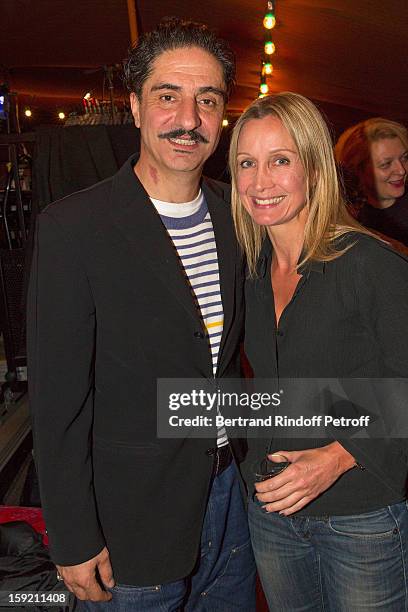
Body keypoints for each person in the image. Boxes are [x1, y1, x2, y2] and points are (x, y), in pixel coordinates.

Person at [27, 18, 256, 611]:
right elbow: (58, 403)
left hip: (233, 500)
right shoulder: (73, 228)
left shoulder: (241, 216)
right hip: (131, 520)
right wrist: (73, 536)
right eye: (167, 96)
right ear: (133, 106)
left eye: (207, 99)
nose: (189, 118)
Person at [229, 92, 408, 610]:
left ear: (313, 168)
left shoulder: (373, 266)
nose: (260, 182)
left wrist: (336, 456)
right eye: (247, 163)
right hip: (272, 514)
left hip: (362, 520)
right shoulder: (252, 272)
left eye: (280, 161)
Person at [335, 117, 408, 248]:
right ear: (358, 169)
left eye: (404, 158)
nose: (401, 170)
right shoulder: (351, 219)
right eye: (386, 164)